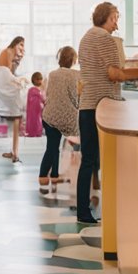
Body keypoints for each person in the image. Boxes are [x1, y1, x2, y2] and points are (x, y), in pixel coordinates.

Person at [76, 3, 138, 224]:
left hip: (87, 104)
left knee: (88, 160)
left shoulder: (86, 37)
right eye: (115, 18)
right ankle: (115, 209)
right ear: (106, 18)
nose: (116, 24)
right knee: (109, 159)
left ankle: (83, 210)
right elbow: (114, 74)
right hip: (103, 106)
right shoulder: (105, 39)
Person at [38, 47, 79, 193]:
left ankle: (45, 176)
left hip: (49, 116)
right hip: (67, 118)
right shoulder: (75, 75)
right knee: (73, 147)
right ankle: (62, 175)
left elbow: (49, 94)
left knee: (51, 147)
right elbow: (75, 98)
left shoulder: (52, 74)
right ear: (74, 60)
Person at [0, 44, 25, 163]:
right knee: (15, 128)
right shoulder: (5, 71)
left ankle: (13, 152)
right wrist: (21, 83)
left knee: (12, 130)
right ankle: (15, 153)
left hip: (7, 106)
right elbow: (14, 84)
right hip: (13, 106)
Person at [24, 73, 45, 137]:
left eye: (41, 79)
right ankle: (32, 132)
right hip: (32, 109)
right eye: (38, 79)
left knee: (38, 121)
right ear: (33, 80)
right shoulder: (32, 90)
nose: (39, 81)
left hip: (38, 109)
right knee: (33, 120)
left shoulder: (39, 90)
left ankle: (38, 132)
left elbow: (43, 99)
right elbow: (42, 98)